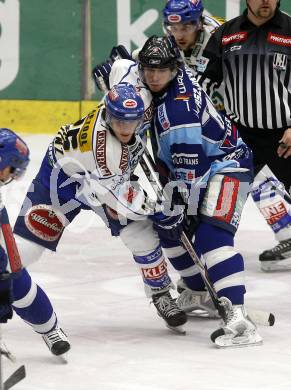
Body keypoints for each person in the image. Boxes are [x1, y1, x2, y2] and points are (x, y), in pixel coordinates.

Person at [12, 83, 190, 338]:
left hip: (100, 177)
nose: (126, 129)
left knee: (140, 236)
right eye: (120, 122)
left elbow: (125, 71)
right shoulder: (106, 152)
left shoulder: (133, 104)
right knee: (26, 248)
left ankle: (160, 293)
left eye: (132, 122)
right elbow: (120, 202)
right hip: (61, 179)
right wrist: (159, 210)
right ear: (108, 115)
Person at [131, 35, 262, 348]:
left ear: (174, 69)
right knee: (167, 226)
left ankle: (238, 318)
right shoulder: (164, 77)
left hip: (229, 166)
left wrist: (187, 207)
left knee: (210, 235)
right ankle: (199, 290)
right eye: (148, 68)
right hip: (196, 167)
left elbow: (193, 170)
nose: (152, 75)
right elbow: (132, 60)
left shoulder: (179, 114)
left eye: (160, 69)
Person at [197, 0, 291, 271]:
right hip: (242, 138)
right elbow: (203, 83)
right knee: (220, 198)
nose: (265, 0)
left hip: (286, 136)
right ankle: (210, 261)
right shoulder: (225, 35)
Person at [162, 0, 224, 110]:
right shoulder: (171, 34)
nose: (179, 36)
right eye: (174, 28)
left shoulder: (219, 40)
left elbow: (198, 96)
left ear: (199, 24)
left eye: (186, 28)